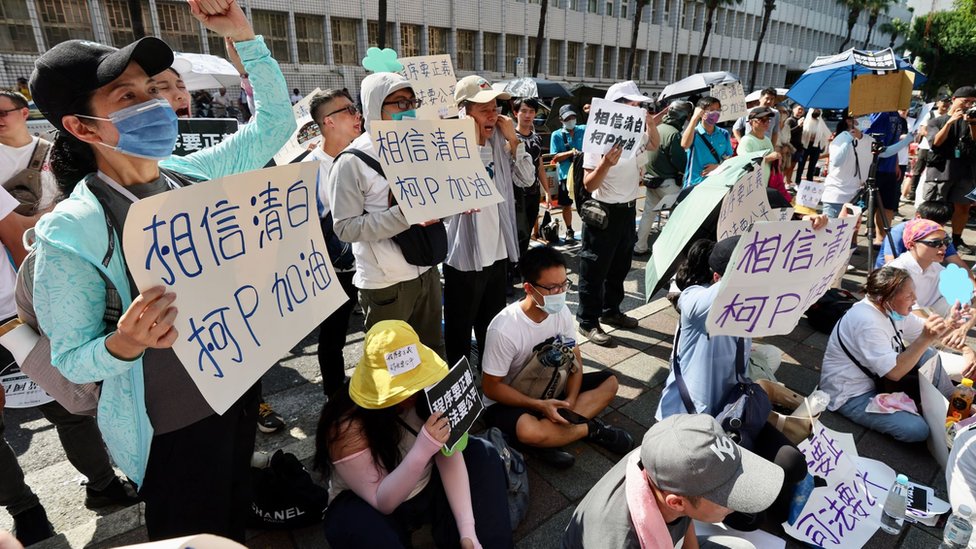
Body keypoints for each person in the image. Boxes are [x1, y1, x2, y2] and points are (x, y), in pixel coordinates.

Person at [27, 0, 296, 540]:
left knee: (234, 515)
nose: (156, 105)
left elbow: (275, 125)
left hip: (234, 389)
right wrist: (123, 344)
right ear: (82, 126)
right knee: (192, 533)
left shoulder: (187, 175)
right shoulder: (73, 231)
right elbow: (71, 361)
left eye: (151, 90)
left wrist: (245, 38)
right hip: (170, 426)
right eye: (127, 97)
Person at [0, 91, 137, 547]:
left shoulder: (52, 155)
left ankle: (103, 483)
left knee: (70, 405)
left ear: (24, 111)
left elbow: (28, 241)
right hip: (30, 298)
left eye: (2, 111)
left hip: (32, 304)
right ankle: (24, 507)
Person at [314, 320, 513, 548]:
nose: (411, 394)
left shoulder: (427, 390)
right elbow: (383, 501)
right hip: (370, 503)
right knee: (365, 530)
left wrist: (468, 531)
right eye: (402, 387)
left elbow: (448, 452)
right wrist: (423, 448)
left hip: (425, 486)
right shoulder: (346, 427)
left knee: (482, 453)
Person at [656, 236, 811, 528]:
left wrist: (808, 234)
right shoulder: (695, 302)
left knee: (792, 464)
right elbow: (704, 298)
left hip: (734, 413)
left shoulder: (747, 305)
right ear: (718, 278)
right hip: (693, 425)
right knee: (749, 519)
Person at [481, 246, 633, 468]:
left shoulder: (559, 311)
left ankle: (550, 437)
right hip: (511, 400)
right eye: (552, 288)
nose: (560, 293)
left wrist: (570, 401)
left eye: (564, 284)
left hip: (552, 386)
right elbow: (491, 387)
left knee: (610, 383)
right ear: (529, 288)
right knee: (528, 430)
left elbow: (575, 357)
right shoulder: (504, 328)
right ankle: (588, 428)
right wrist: (540, 405)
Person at [329, 72, 445, 357]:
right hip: (385, 284)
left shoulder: (421, 145)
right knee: (394, 363)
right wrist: (405, 216)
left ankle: (429, 403)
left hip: (427, 269)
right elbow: (344, 227)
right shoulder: (351, 161)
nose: (410, 109)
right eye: (399, 103)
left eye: (412, 102)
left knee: (430, 352)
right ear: (373, 106)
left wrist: (453, 202)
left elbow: (434, 199)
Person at [562, 414, 785, 549]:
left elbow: (686, 516)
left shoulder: (666, 467)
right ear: (676, 503)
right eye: (726, 496)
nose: (736, 505)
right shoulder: (616, 541)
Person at [442, 76, 534, 367]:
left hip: (497, 251)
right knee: (459, 327)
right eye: (484, 110)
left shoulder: (501, 140)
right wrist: (475, 141)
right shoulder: (447, 146)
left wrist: (514, 140)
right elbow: (466, 187)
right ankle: (460, 384)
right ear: (463, 112)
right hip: (464, 257)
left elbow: (527, 179)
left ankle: (490, 376)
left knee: (491, 323)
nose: (493, 114)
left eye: (495, 107)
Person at [820, 267, 971, 442]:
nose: (914, 300)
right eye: (909, 296)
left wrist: (950, 324)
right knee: (917, 430)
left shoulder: (891, 310)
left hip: (879, 379)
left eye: (913, 293)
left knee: (928, 353)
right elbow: (894, 373)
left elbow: (927, 332)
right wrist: (925, 338)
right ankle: (932, 411)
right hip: (850, 394)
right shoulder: (866, 321)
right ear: (885, 299)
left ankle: (953, 400)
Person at [578, 81, 660, 347]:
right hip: (603, 213)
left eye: (637, 103)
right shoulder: (598, 135)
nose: (635, 107)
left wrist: (651, 124)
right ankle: (588, 321)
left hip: (627, 210)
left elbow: (653, 144)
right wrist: (605, 163)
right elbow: (588, 184)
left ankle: (610, 311)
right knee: (594, 269)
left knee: (620, 266)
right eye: (629, 103)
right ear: (614, 106)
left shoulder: (636, 132)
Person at [307, 89, 362, 396]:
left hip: (369, 261)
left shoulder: (362, 154)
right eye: (349, 110)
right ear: (328, 122)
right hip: (332, 270)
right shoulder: (309, 168)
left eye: (356, 109)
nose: (357, 115)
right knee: (333, 337)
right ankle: (335, 398)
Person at [923, 86, 976, 253]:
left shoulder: (971, 121)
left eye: (972, 102)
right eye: (965, 101)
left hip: (966, 171)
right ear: (954, 99)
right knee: (935, 207)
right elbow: (936, 142)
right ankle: (929, 237)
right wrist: (950, 121)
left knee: (963, 206)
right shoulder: (936, 121)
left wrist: (972, 124)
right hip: (942, 171)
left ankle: (957, 239)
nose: (968, 105)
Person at [635, 100, 691, 256]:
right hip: (668, 183)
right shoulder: (674, 134)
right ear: (683, 117)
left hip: (651, 179)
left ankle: (640, 247)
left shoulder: (658, 128)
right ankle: (670, 251)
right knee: (677, 216)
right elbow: (680, 162)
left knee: (648, 214)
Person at [876, 200, 968, 272]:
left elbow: (956, 262)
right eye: (935, 243)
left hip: (923, 271)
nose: (943, 247)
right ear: (918, 217)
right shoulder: (897, 232)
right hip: (892, 276)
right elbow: (891, 263)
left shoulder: (939, 233)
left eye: (942, 224)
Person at [512, 97, 551, 261]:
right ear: (516, 113)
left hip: (533, 193)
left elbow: (540, 166)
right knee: (516, 231)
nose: (528, 115)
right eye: (524, 111)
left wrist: (547, 192)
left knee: (526, 230)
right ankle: (512, 265)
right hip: (515, 194)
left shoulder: (537, 138)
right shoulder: (510, 137)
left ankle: (521, 263)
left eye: (532, 111)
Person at [888, 219, 953, 315]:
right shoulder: (896, 271)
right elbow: (910, 313)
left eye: (946, 242)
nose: (943, 247)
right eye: (935, 243)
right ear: (911, 245)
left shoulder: (934, 266)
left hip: (923, 316)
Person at [820, 112, 876, 218]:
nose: (866, 118)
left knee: (851, 232)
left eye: (867, 115)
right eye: (861, 116)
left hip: (856, 197)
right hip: (835, 197)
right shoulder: (840, 138)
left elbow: (885, 152)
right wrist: (848, 138)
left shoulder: (870, 140)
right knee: (832, 232)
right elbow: (837, 161)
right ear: (849, 121)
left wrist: (907, 140)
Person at [865, 111, 908, 246]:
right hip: (873, 168)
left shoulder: (896, 116)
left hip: (889, 168)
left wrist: (895, 163)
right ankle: (870, 232)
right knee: (869, 204)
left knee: (887, 205)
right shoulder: (878, 114)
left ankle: (881, 239)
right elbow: (872, 141)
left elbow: (892, 141)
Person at [735, 107, 788, 203]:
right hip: (749, 187)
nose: (766, 123)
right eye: (762, 120)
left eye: (768, 120)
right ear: (751, 122)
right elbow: (746, 163)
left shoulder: (767, 140)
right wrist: (768, 158)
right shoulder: (746, 140)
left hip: (765, 183)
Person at [680, 96, 733, 187]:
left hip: (716, 183)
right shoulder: (693, 132)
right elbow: (684, 145)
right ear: (701, 112)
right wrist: (694, 118)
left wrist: (718, 167)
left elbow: (728, 157)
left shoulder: (724, 133)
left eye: (718, 110)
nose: (715, 113)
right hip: (694, 183)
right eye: (711, 110)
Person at [550, 104, 584, 241]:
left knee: (586, 202)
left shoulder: (583, 129)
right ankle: (569, 229)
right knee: (566, 204)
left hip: (583, 172)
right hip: (565, 174)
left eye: (572, 117)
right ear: (561, 120)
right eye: (567, 118)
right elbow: (555, 157)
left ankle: (588, 228)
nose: (570, 120)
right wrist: (571, 152)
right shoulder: (557, 135)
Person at [911, 97, 950, 207]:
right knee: (918, 169)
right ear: (938, 103)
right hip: (926, 147)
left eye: (948, 103)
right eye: (943, 102)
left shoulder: (948, 117)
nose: (945, 105)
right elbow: (923, 130)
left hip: (939, 150)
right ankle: (912, 191)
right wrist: (933, 136)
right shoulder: (930, 114)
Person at [795, 108, 831, 183]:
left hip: (816, 146)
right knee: (801, 164)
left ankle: (809, 181)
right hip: (805, 145)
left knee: (812, 164)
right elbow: (801, 132)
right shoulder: (806, 121)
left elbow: (827, 133)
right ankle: (798, 181)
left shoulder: (820, 123)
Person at [784, 104, 805, 184]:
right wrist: (798, 126)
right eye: (799, 109)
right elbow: (788, 132)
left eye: (802, 110)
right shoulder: (790, 120)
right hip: (790, 146)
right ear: (793, 110)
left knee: (792, 166)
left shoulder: (801, 121)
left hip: (798, 147)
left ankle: (788, 182)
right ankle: (783, 183)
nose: (800, 111)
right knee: (787, 166)